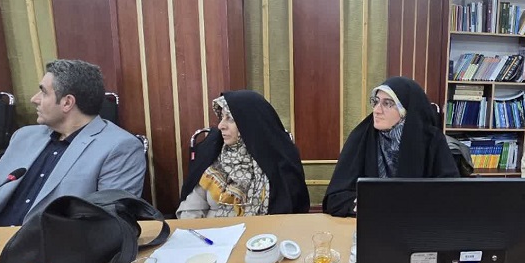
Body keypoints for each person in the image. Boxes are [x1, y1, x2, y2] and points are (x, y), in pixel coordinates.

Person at [0, 59, 146, 227]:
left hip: (51, 242)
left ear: (67, 103)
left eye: (43, 92)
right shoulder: (24, 136)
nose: (34, 99)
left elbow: (109, 220)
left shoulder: (119, 147)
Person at [323, 76, 458, 217]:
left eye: (387, 104)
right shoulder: (361, 137)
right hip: (371, 223)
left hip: (419, 223)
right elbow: (335, 198)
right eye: (376, 102)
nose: (377, 110)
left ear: (406, 110)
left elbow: (451, 194)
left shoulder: (432, 140)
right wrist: (370, 204)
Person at [177, 90, 309, 218]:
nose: (221, 125)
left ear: (249, 123)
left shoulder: (279, 161)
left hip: (264, 231)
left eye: (230, 119)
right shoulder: (212, 155)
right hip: (213, 230)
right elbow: (190, 211)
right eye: (221, 117)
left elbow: (292, 213)